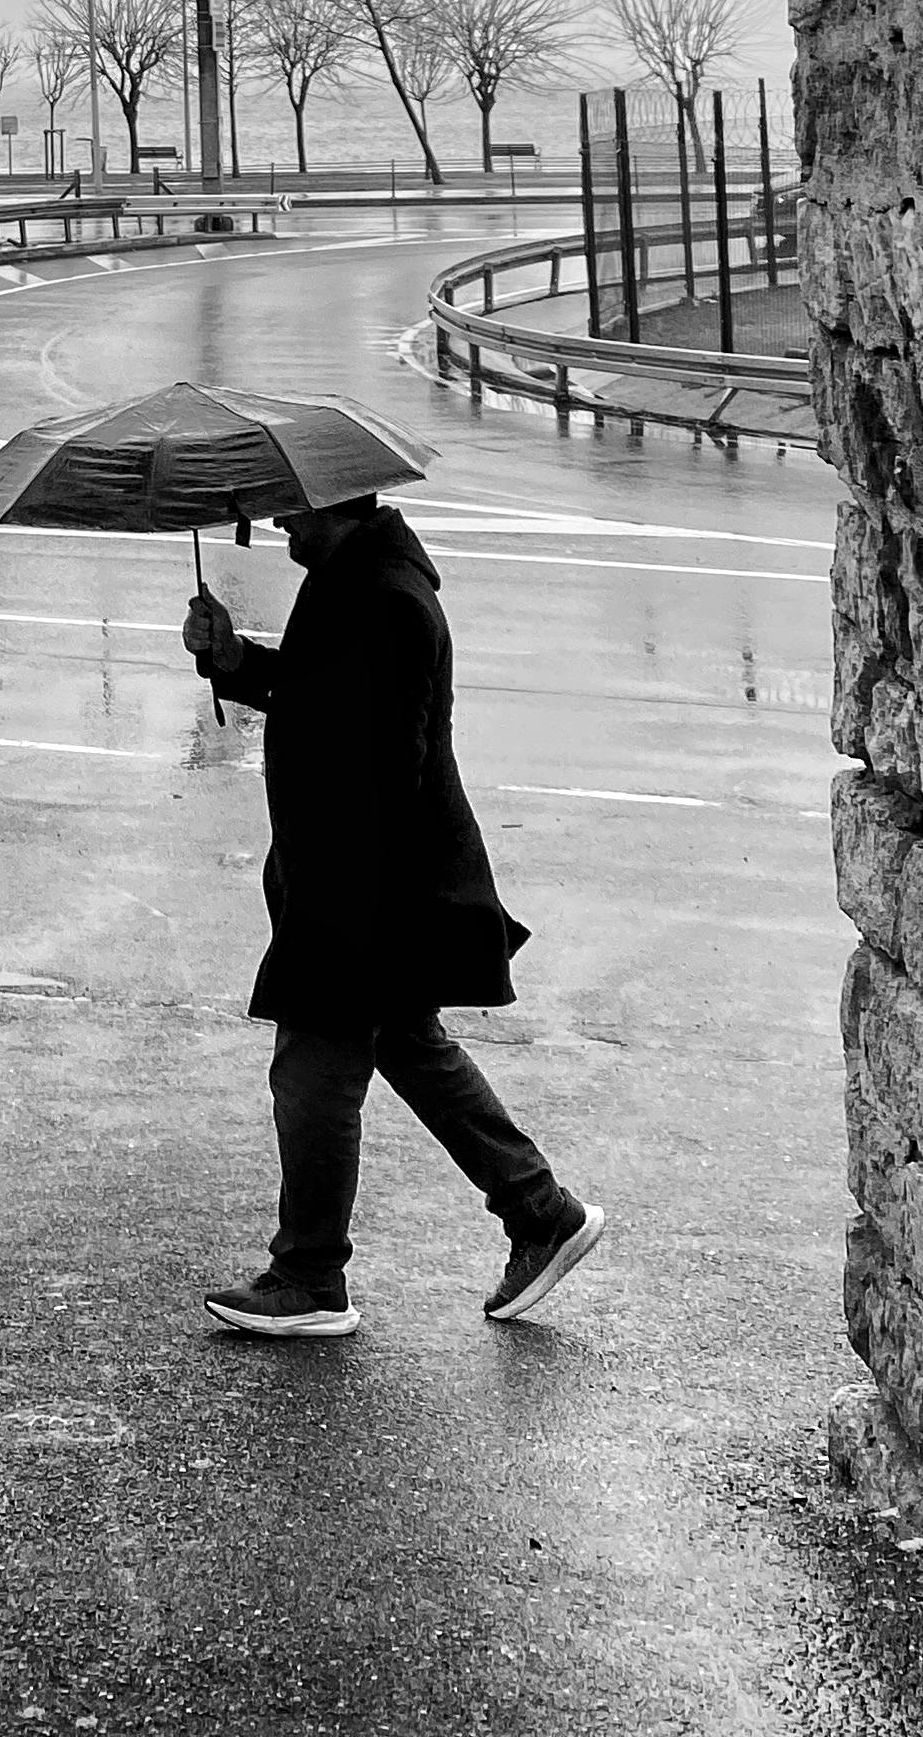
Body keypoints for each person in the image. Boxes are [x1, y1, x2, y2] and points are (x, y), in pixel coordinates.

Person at [182, 490, 604, 1338]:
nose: (279, 525)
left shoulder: (383, 599)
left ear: (331, 504)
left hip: (358, 892)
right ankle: (541, 1212)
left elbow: (384, 762)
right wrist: (232, 659)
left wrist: (341, 913)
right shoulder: (355, 580)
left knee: (311, 1078)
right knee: (410, 1047)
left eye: (291, 512)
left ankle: (309, 1276)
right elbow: (323, 700)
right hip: (362, 886)